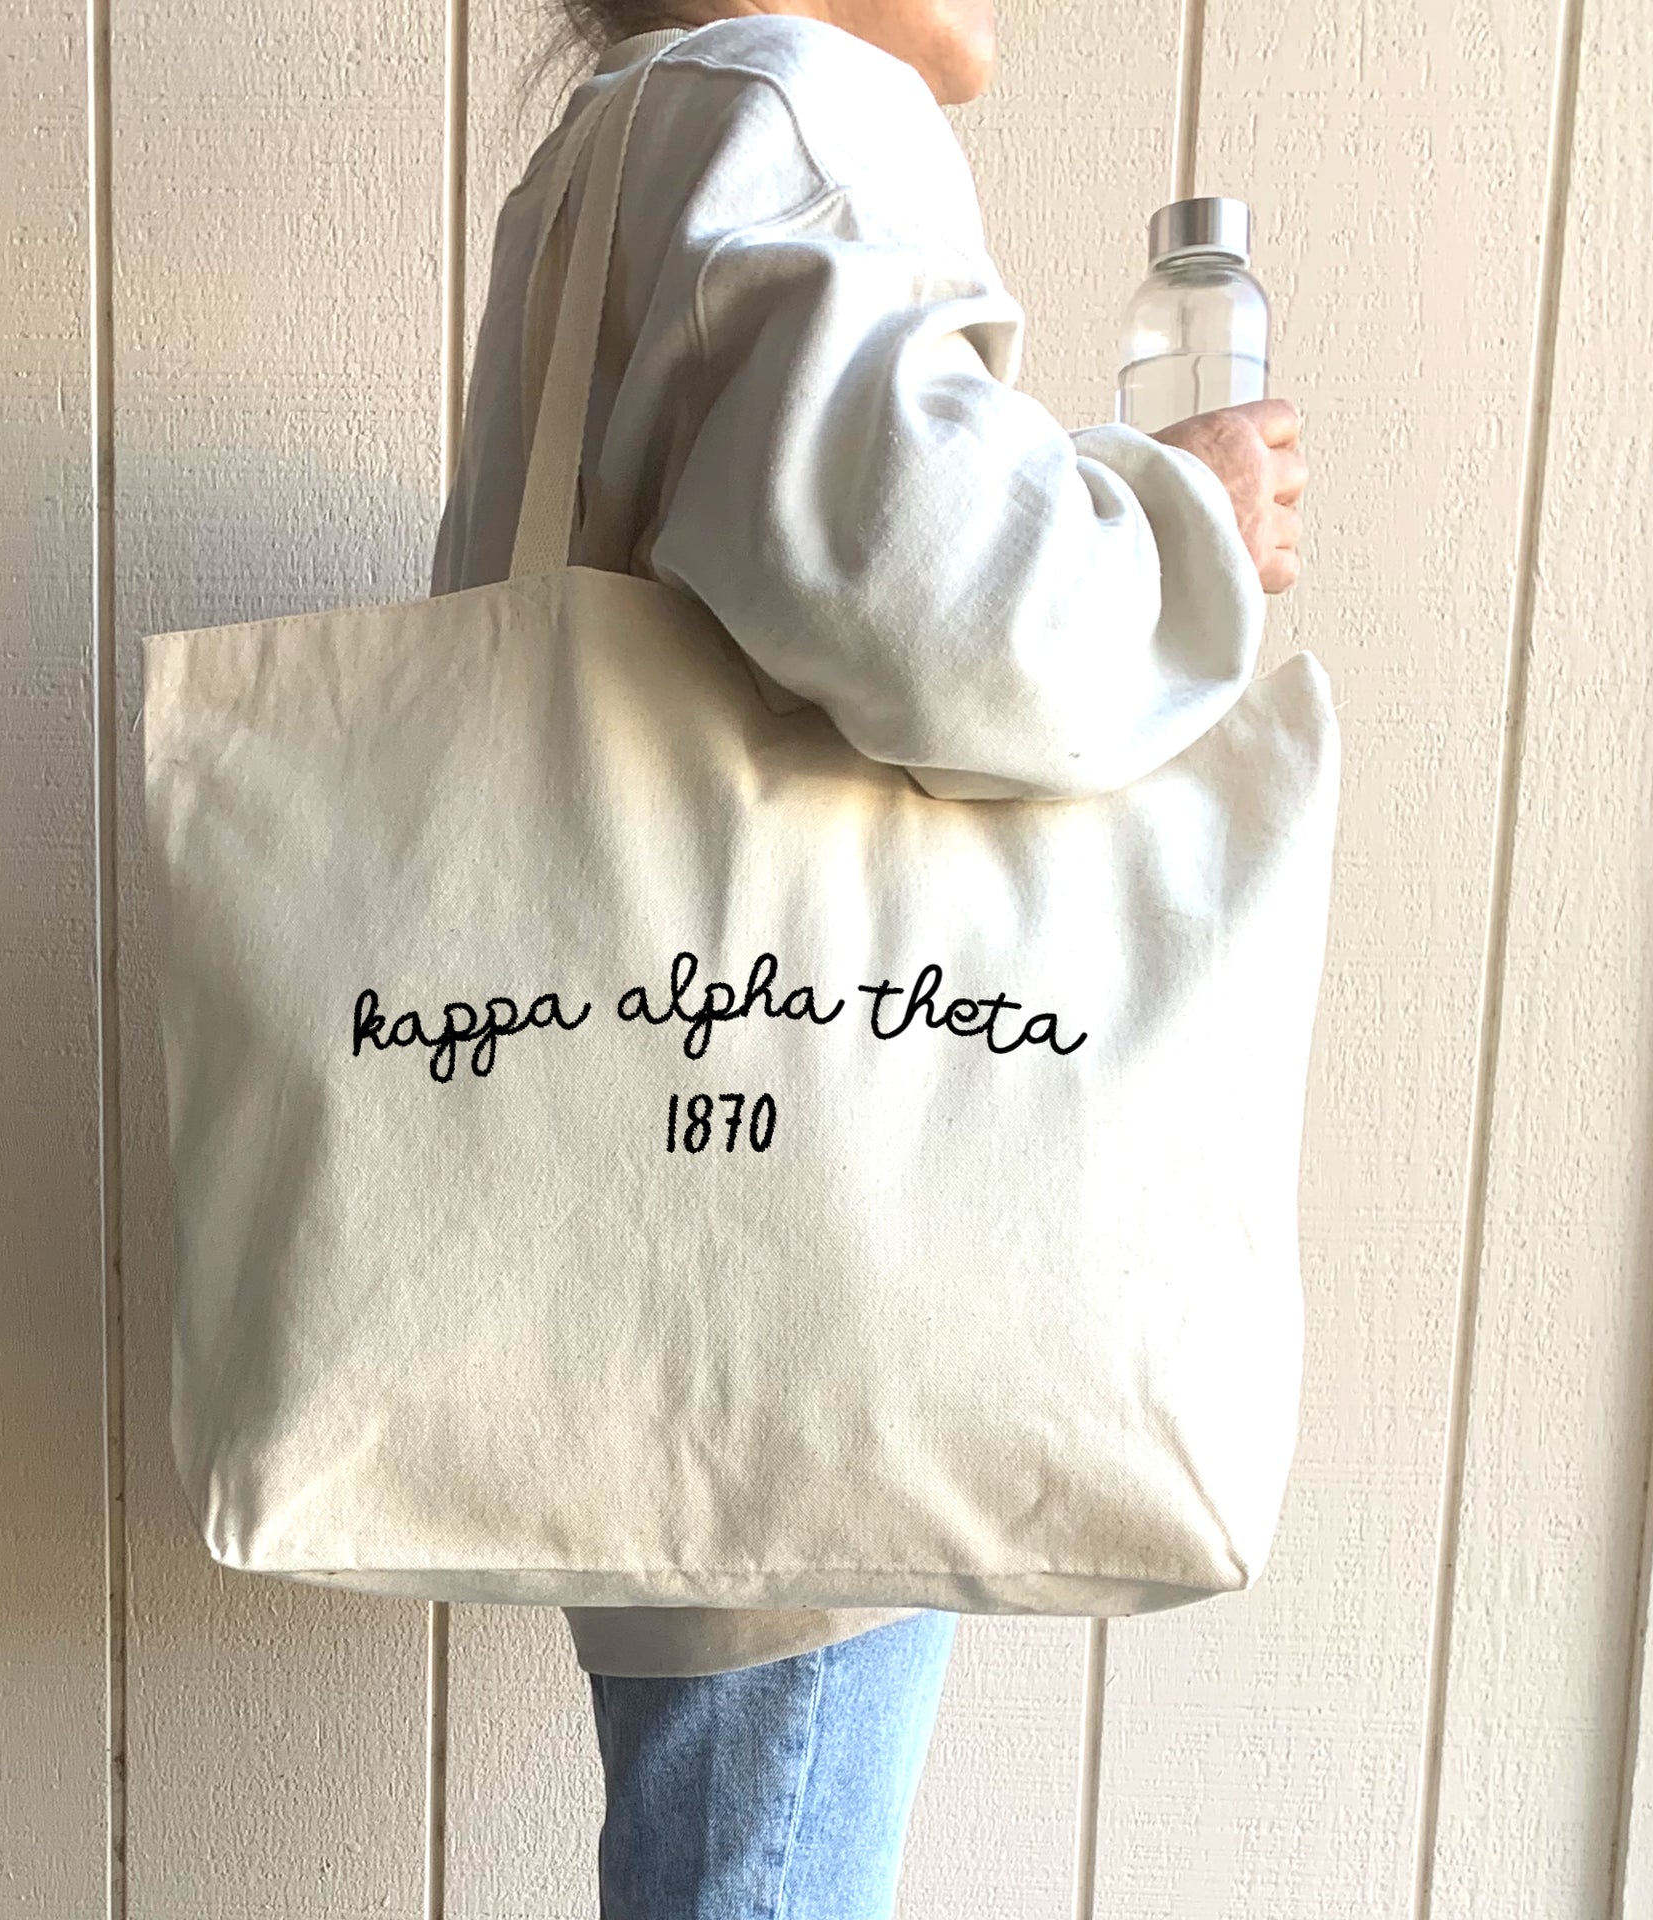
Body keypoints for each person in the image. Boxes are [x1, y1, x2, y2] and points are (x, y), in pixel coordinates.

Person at [431, 3, 1307, 1912]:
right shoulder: (803, 106)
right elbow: (945, 614)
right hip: (815, 1228)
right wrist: (1190, 525)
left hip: (658, 1195)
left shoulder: (619, 141)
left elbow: (801, 545)